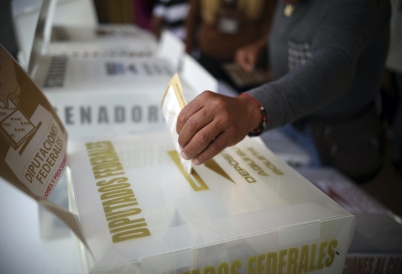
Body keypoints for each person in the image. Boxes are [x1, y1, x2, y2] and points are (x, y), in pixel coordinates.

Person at [177, 0, 391, 183]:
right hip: (285, 123)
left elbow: (335, 64)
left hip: (331, 139)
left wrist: (250, 108)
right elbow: (297, 32)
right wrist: (263, 47)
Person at [185, 0, 276, 82]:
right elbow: (192, 19)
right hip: (207, 57)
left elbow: (268, 29)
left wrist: (266, 59)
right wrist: (186, 56)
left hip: (242, 64)